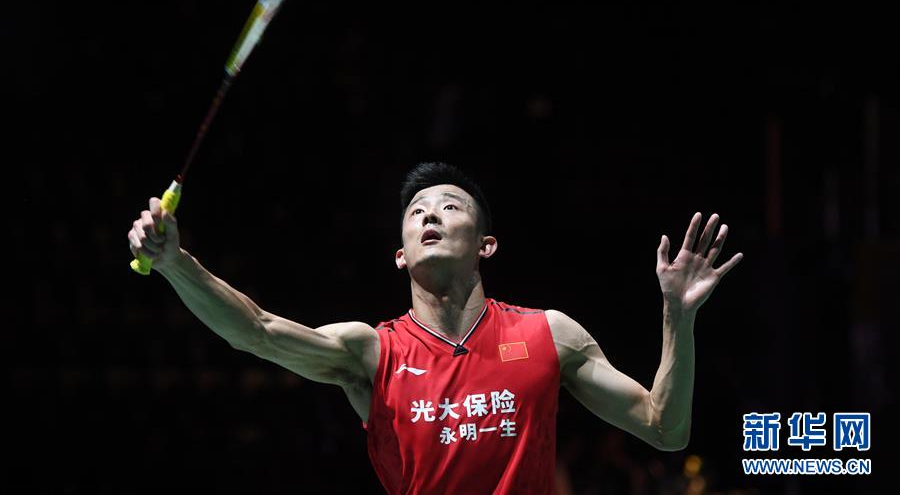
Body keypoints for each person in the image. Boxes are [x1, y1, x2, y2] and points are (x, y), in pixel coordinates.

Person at [127, 161, 743, 494]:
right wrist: (177, 264)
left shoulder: (549, 335)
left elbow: (665, 430)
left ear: (486, 245)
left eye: (450, 207)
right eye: (417, 211)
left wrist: (678, 317)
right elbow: (256, 331)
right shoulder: (372, 352)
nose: (430, 217)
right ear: (400, 254)